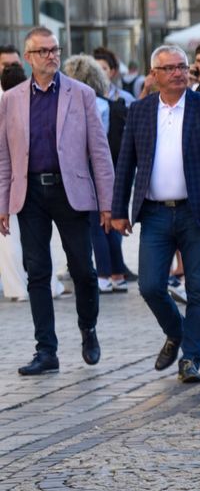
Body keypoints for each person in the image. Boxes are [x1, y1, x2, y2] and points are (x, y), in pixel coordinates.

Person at [110, 45, 200, 383]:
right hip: (154, 213)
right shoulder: (140, 110)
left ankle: (191, 358)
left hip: (196, 211)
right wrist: (118, 210)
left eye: (182, 66)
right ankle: (176, 331)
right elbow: (126, 163)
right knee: (150, 285)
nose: (178, 73)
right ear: (154, 75)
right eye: (169, 68)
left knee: (199, 288)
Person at [0, 27, 112, 376]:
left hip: (70, 191)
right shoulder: (12, 99)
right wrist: (3, 203)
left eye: (55, 49)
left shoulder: (81, 94)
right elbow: (4, 156)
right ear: (28, 57)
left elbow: (99, 151)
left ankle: (88, 328)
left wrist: (107, 203)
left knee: (83, 269)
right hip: (30, 193)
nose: (52, 55)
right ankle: (46, 351)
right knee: (37, 272)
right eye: (44, 51)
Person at [61, 55, 132, 294]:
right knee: (110, 219)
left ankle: (103, 275)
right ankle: (117, 274)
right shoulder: (108, 103)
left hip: (90, 168)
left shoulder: (84, 104)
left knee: (96, 223)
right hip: (113, 167)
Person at [0, 62, 29, 302]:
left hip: (7, 179)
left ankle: (16, 288)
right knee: (31, 236)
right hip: (24, 178)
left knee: (8, 238)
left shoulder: (5, 106)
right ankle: (47, 284)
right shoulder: (27, 106)